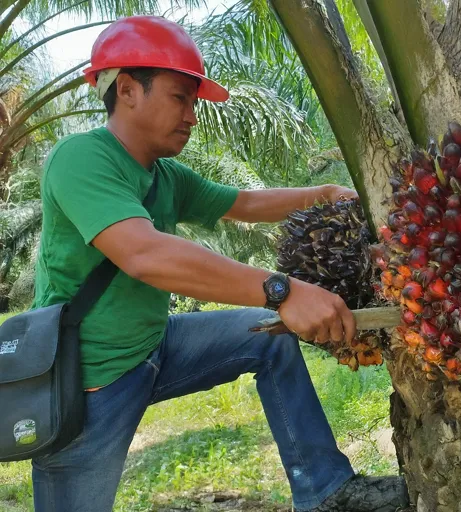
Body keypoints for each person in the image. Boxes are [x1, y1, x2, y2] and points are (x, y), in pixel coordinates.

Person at [31, 16, 409, 512]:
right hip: (89, 383)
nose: (192, 115)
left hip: (153, 347)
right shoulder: (81, 159)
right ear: (127, 90)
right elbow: (145, 254)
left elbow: (246, 204)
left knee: (265, 340)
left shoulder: (164, 175)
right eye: (179, 97)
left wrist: (324, 194)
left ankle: (326, 491)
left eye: (193, 102)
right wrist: (284, 290)